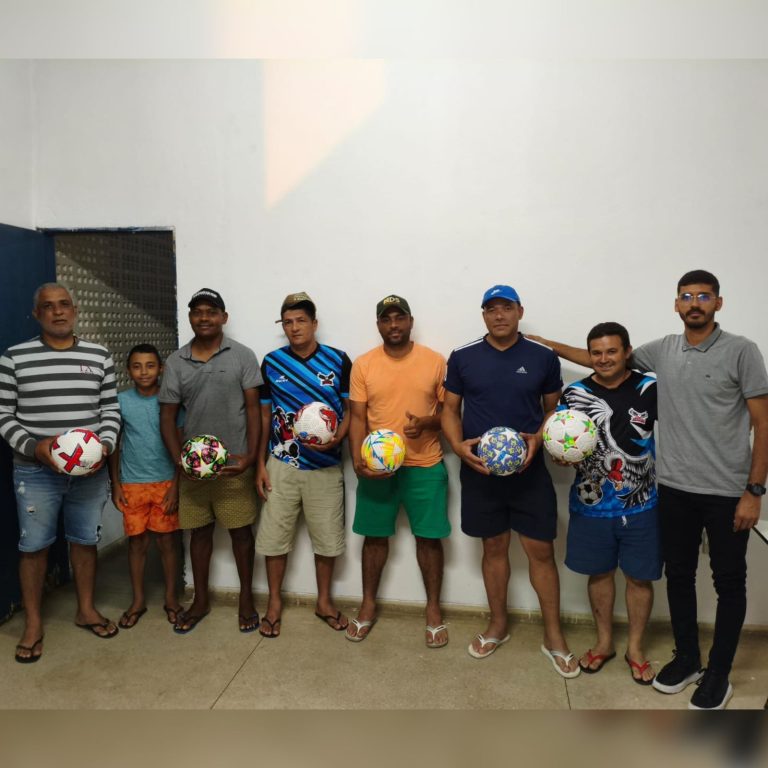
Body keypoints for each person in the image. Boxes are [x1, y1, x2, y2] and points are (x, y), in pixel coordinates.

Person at [530, 270, 768, 708]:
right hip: (673, 490)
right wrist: (546, 344)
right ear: (676, 304)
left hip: (723, 491)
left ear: (718, 302)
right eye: (686, 296)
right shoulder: (661, 352)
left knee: (728, 581)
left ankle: (718, 673)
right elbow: (597, 361)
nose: (694, 302)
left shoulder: (737, 352)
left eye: (703, 296)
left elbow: (762, 422)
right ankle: (689, 659)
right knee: (678, 576)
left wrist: (755, 490)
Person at [441, 284, 580, 677]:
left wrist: (539, 437)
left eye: (506, 307)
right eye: (491, 308)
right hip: (480, 473)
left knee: (540, 551)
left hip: (529, 473)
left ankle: (554, 635)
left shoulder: (542, 357)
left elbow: (553, 408)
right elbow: (450, 410)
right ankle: (497, 625)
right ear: (483, 314)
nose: (499, 315)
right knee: (494, 547)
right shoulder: (464, 357)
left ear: (520, 311)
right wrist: (458, 446)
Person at [0, 283, 121, 662]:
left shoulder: (99, 356)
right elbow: (4, 416)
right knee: (33, 547)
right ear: (37, 314)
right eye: (48, 307)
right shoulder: (14, 359)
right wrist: (36, 448)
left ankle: (85, 610)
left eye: (64, 304)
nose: (57, 312)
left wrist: (103, 448)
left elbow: (111, 413)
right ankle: (33, 623)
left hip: (89, 472)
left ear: (75, 309)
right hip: (34, 472)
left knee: (85, 540)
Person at [558, 322, 660, 684]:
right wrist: (560, 455)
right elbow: (559, 440)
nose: (603, 359)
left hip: (642, 504)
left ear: (627, 351)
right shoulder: (574, 394)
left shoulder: (650, 387)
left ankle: (635, 648)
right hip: (591, 507)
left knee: (639, 577)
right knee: (599, 574)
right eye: (596, 353)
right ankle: (604, 644)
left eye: (611, 351)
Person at [346, 295, 450, 648]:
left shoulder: (435, 361)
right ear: (379, 324)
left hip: (425, 464)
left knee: (429, 539)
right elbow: (357, 417)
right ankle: (367, 605)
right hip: (378, 468)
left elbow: (450, 414)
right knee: (374, 539)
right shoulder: (363, 365)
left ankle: (433, 609)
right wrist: (359, 463)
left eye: (400, 318)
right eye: (386, 319)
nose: (394, 325)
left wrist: (427, 423)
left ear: (410, 321)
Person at [159, 288, 262, 634]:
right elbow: (167, 417)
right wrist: (180, 461)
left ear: (223, 317)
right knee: (199, 535)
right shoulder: (175, 362)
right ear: (190, 317)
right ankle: (200, 600)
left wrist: (249, 457)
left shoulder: (243, 356)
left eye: (211, 311)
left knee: (241, 535)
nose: (204, 317)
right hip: (194, 471)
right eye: (197, 311)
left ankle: (246, 599)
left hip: (234, 466)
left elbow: (253, 410)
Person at [255, 292, 351, 638]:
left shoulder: (338, 360)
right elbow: (264, 414)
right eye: (288, 322)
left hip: (324, 465)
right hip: (281, 462)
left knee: (326, 540)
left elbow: (350, 410)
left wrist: (339, 436)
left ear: (314, 324)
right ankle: (274, 604)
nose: (294, 328)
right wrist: (260, 463)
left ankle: (324, 601)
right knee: (273, 539)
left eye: (301, 321)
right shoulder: (272, 362)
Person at [108, 344, 183, 629]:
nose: (144, 372)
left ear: (161, 368)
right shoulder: (121, 401)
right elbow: (114, 445)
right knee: (137, 543)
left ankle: (171, 599)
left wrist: (177, 485)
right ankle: (138, 600)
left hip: (165, 483)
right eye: (137, 366)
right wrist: (115, 484)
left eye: (150, 366)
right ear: (128, 371)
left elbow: (181, 444)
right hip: (131, 484)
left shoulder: (171, 401)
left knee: (167, 543)